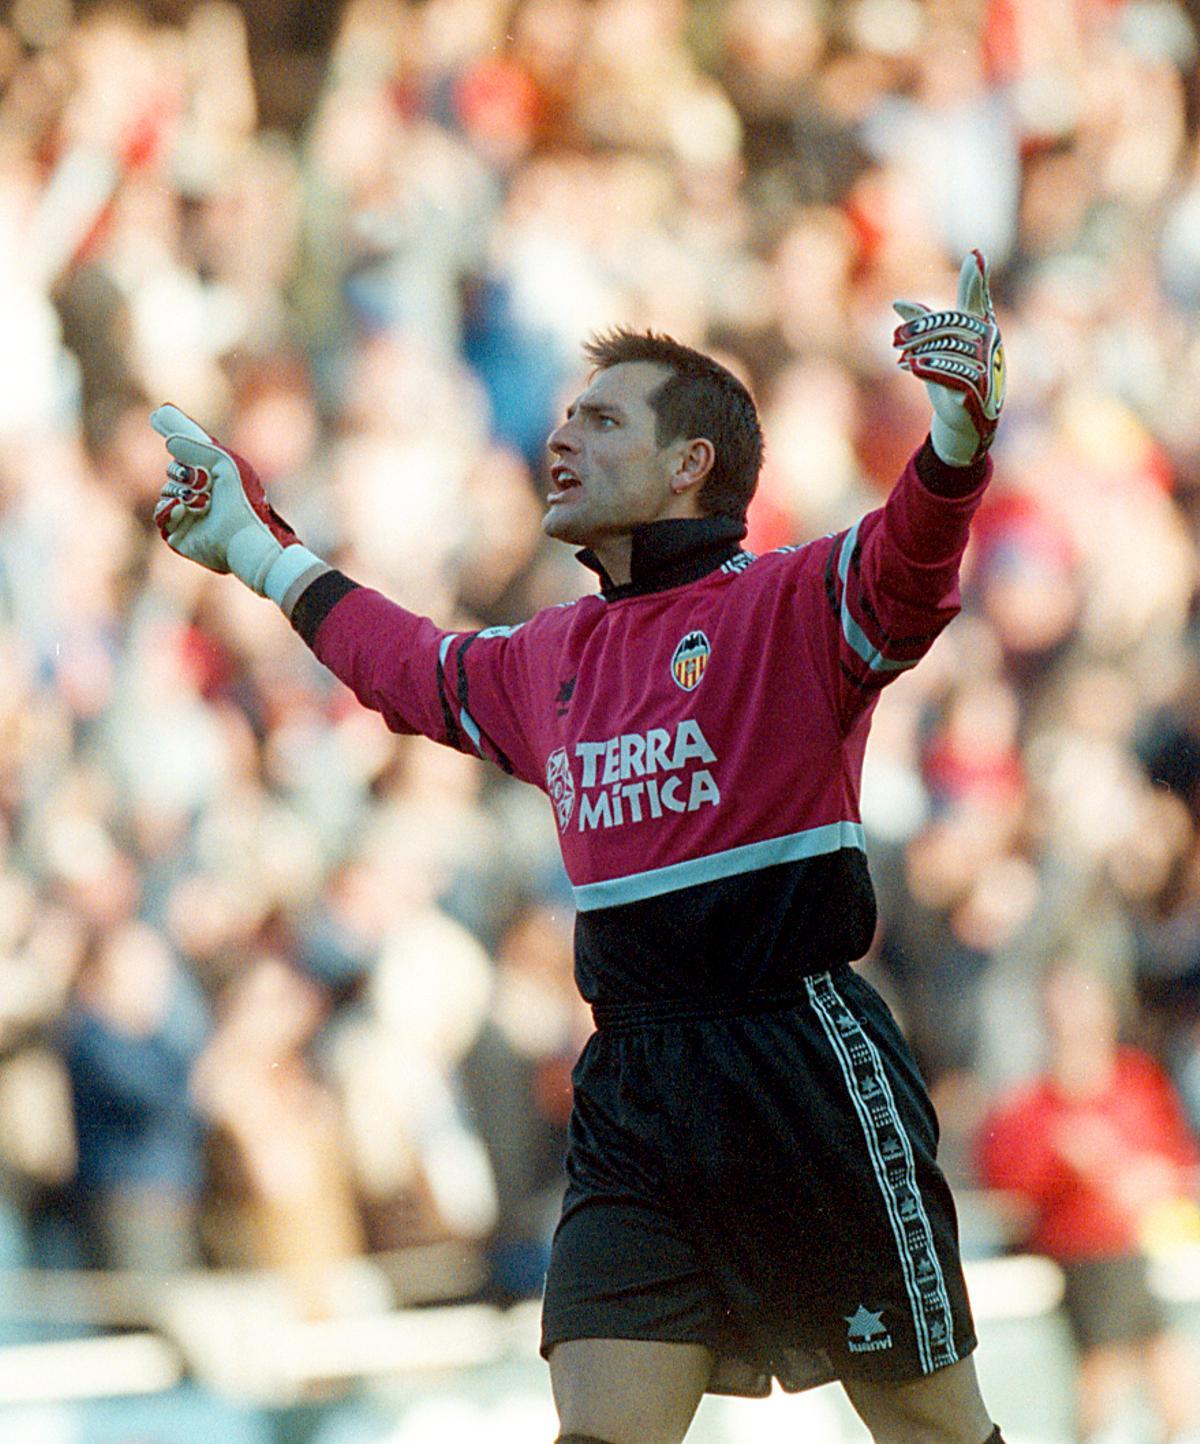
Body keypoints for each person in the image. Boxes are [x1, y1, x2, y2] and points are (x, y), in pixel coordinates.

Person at [151, 252, 1008, 1444]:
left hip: (798, 1065)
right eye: (562, 418)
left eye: (601, 420)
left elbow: (913, 565)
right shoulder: (552, 657)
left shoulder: (787, 606)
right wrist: (254, 548)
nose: (561, 440)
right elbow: (406, 668)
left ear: (687, 462)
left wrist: (960, 439)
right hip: (636, 1090)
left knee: (929, 1431)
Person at [977, 958, 1200, 1444]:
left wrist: (1135, 1175)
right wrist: (1073, 1162)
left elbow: (1174, 1161)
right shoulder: (1031, 1106)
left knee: (1166, 1380)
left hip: (1143, 1248)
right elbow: (1010, 1187)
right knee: (1127, 1374)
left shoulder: (1137, 1082)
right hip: (1086, 1256)